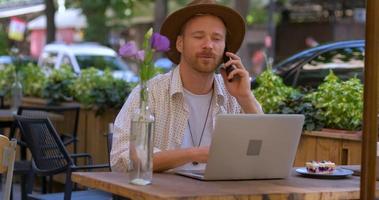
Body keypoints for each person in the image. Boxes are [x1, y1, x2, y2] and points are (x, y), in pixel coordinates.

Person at [111, 0, 263, 173]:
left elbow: (266, 152)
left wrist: (246, 98)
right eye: (198, 36)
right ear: (180, 44)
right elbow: (121, 158)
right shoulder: (150, 93)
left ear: (226, 50)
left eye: (217, 38)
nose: (208, 45)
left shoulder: (235, 96)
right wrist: (194, 154)